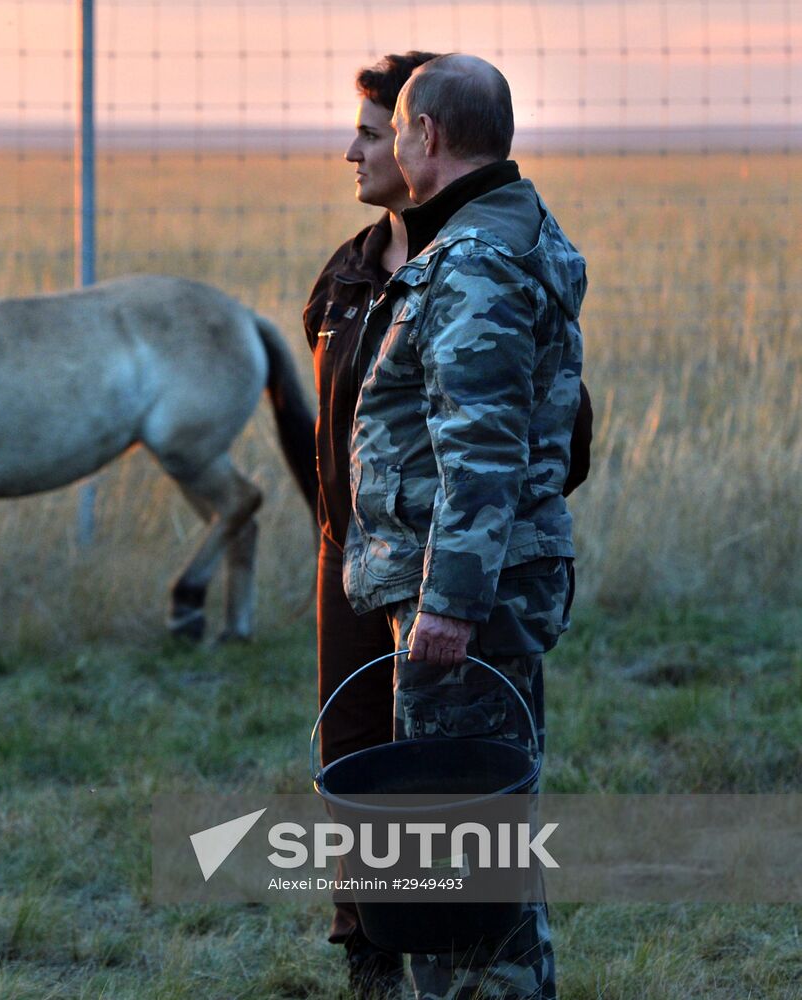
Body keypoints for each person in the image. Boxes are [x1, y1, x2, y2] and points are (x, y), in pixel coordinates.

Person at [306, 53, 593, 999]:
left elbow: (480, 451)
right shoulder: (506, 232)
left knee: (453, 868)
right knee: (484, 848)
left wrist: (449, 606)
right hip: (468, 583)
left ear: (425, 135)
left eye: (392, 130)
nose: (382, 147)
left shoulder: (472, 263)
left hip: (461, 597)